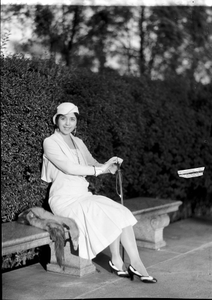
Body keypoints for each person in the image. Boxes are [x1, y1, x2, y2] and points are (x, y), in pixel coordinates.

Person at [41, 102, 157, 283]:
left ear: (76, 122)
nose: (67, 123)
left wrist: (108, 166)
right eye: (63, 118)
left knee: (121, 212)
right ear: (56, 120)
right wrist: (98, 171)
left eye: (72, 119)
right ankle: (128, 263)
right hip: (64, 200)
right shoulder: (50, 142)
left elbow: (91, 162)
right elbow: (69, 167)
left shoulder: (77, 141)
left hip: (83, 196)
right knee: (107, 212)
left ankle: (125, 262)